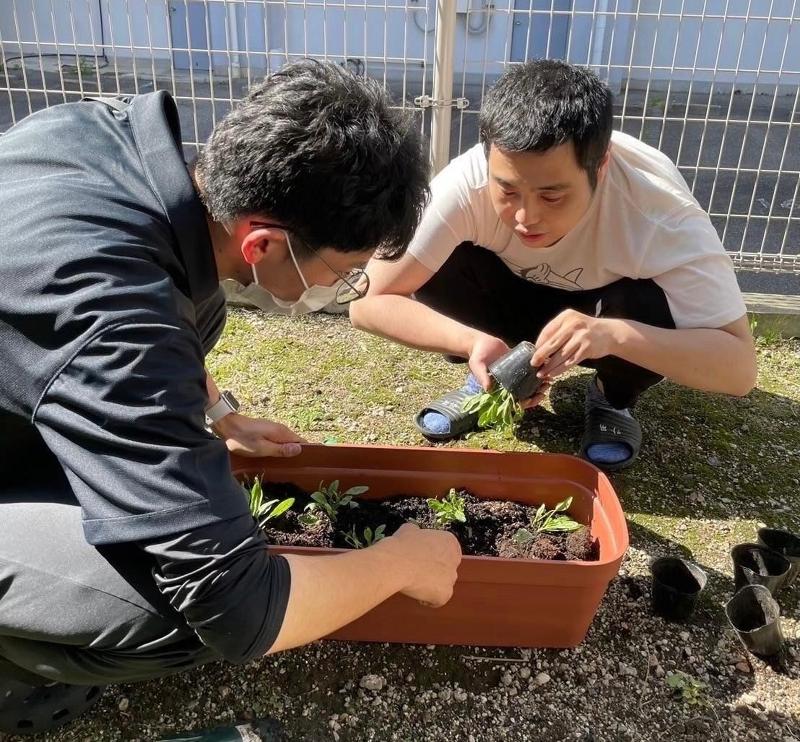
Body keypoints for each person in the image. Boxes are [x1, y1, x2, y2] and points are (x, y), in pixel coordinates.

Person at [0, 60, 460, 735]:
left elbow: (135, 343)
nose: (341, 290)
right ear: (263, 243)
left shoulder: (107, 140)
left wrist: (218, 415)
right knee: (180, 614)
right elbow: (238, 607)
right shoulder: (118, 321)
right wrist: (399, 564)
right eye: (343, 274)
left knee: (202, 305)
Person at [350, 59, 757, 471]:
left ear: (601, 166)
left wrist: (612, 335)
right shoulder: (465, 185)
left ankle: (612, 398)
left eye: (552, 196)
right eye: (507, 191)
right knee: (439, 261)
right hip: (509, 294)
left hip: (609, 308)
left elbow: (739, 369)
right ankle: (495, 378)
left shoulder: (660, 214)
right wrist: (471, 342)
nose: (525, 217)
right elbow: (368, 301)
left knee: (652, 303)